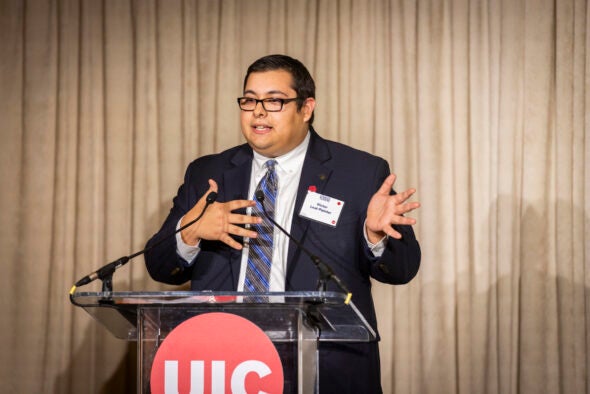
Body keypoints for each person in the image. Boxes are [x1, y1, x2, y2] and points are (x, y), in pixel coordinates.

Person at [144, 54, 421, 393]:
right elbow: (158, 266)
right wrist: (190, 232)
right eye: (249, 100)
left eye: (274, 101)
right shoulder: (208, 172)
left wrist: (374, 236)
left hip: (324, 365)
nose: (257, 111)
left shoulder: (359, 173)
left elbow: (403, 268)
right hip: (222, 365)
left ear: (306, 108)